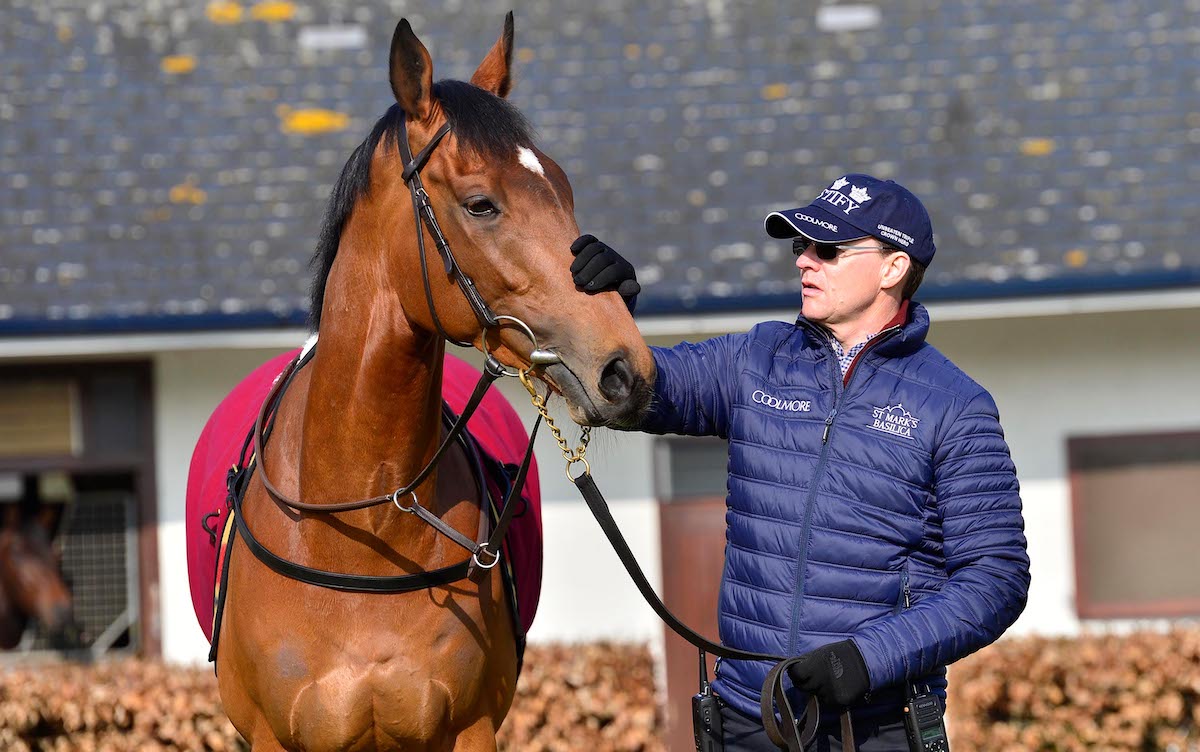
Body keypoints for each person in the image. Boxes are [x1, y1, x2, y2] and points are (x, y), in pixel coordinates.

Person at [569, 174, 1030, 750]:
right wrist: (604, 313)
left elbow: (996, 581)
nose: (805, 262)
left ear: (893, 268)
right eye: (800, 247)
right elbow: (631, 392)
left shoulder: (956, 407)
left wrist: (867, 659)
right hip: (745, 716)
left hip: (874, 725)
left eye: (828, 250)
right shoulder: (754, 359)